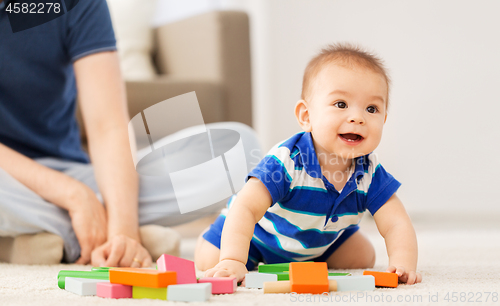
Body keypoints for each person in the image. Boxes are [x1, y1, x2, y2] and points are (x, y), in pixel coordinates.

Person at [0, 0, 261, 266]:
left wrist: (123, 230)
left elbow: (107, 124)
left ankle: (43, 236)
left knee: (243, 154)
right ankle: (73, 233)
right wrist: (72, 196)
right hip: (12, 181)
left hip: (73, 172)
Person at [195, 43, 422, 285]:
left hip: (318, 242)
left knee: (363, 256)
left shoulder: (369, 173)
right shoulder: (287, 161)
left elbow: (396, 222)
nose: (358, 117)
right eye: (341, 104)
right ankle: (217, 244)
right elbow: (246, 208)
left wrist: (403, 264)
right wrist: (233, 259)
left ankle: (303, 259)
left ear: (384, 119)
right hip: (257, 237)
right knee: (210, 260)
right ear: (306, 116)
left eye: (372, 108)